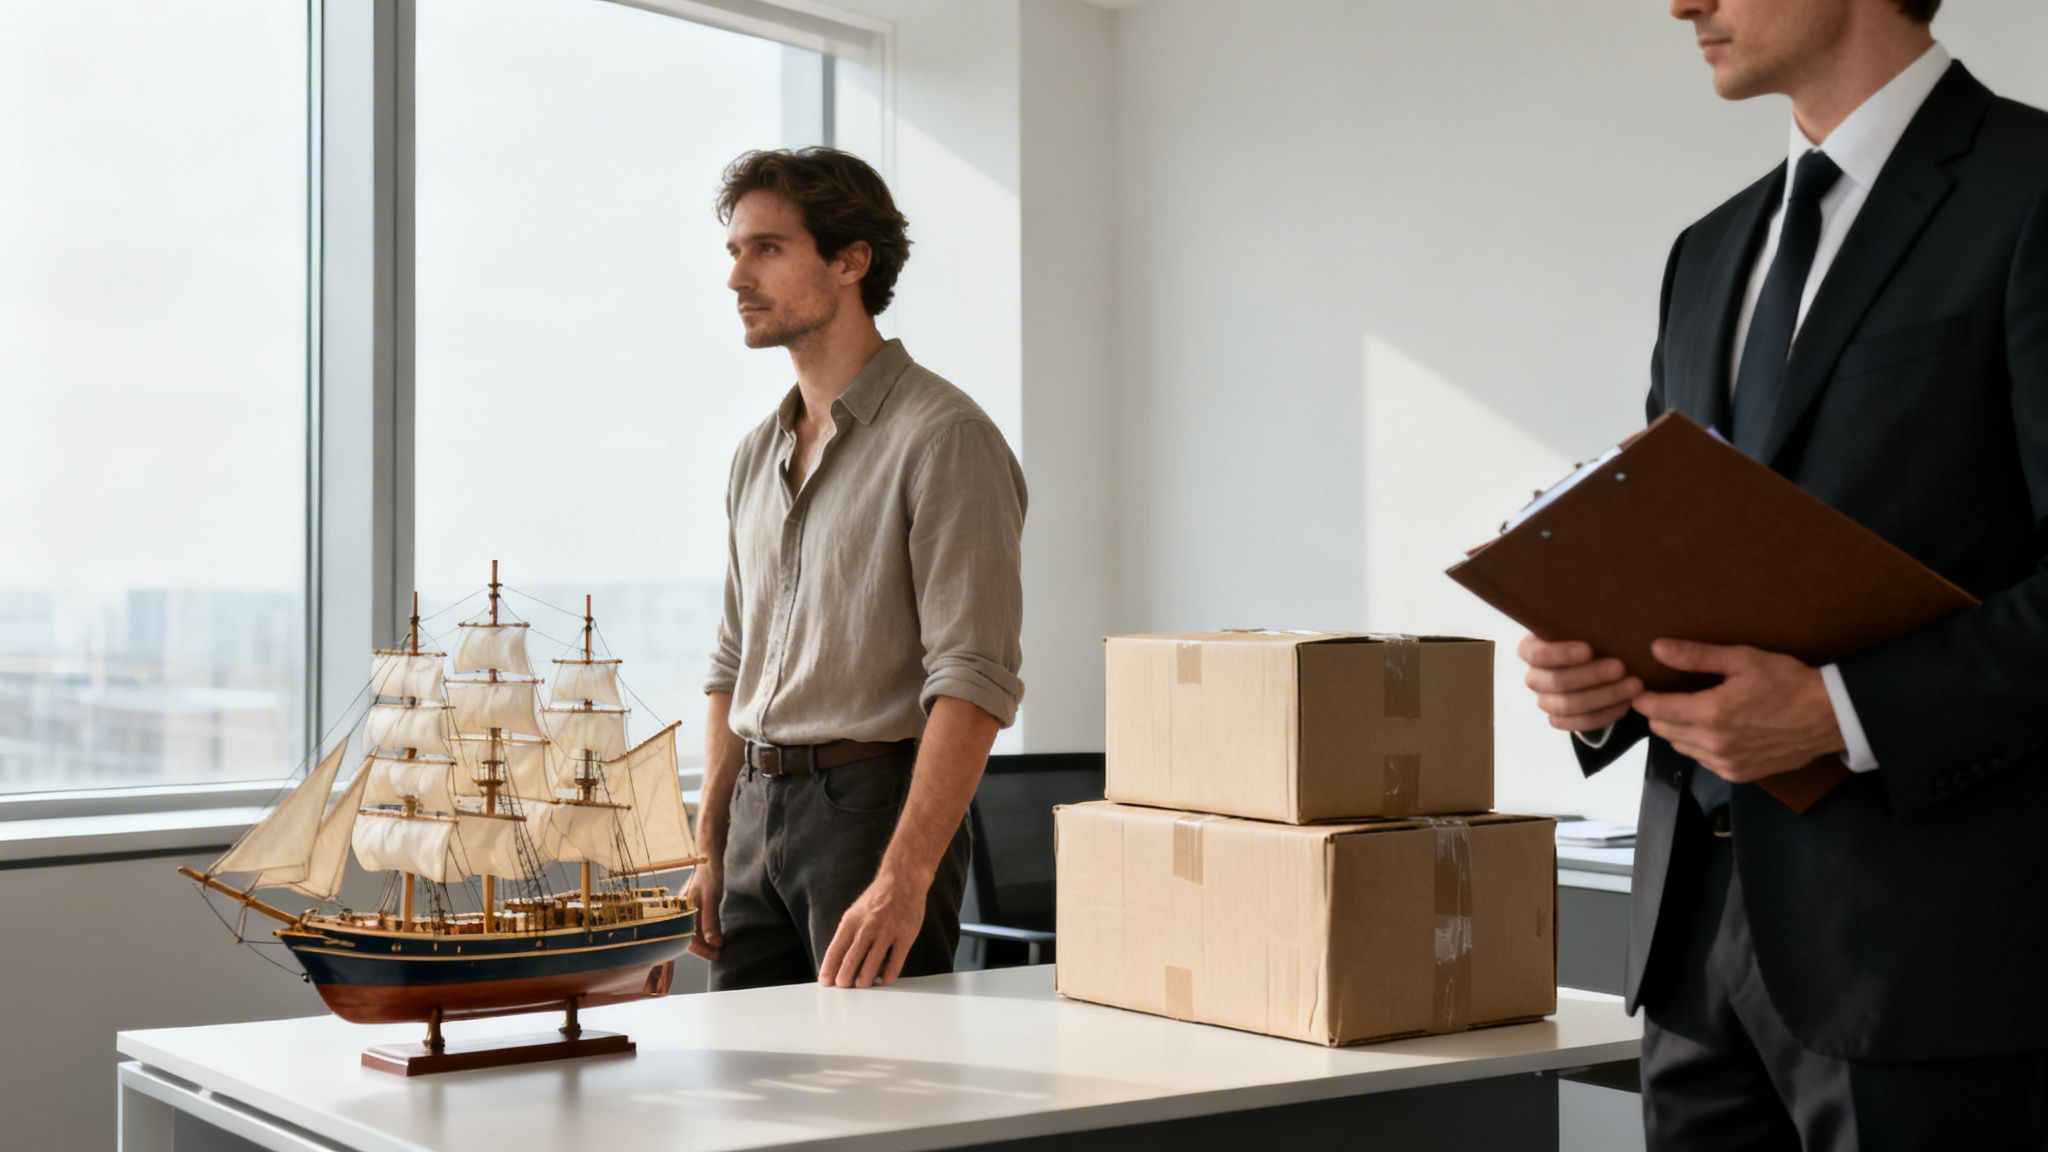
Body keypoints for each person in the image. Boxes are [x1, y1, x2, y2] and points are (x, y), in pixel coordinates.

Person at [1518, 0, 2048, 1146]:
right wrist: (1594, 683)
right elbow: (1677, 546)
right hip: (1690, 957)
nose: (1680, 3)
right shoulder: (1707, 252)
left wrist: (1836, 712)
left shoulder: (2030, 190)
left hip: (1927, 962)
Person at [682, 147, 1027, 992]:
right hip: (756, 816)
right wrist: (710, 841)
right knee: (754, 1100)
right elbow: (734, 661)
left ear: (849, 260)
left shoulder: (945, 438)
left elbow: (974, 680)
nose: (737, 278)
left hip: (871, 815)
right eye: (733, 252)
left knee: (880, 1100)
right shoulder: (753, 455)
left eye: (766, 248)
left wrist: (905, 879)